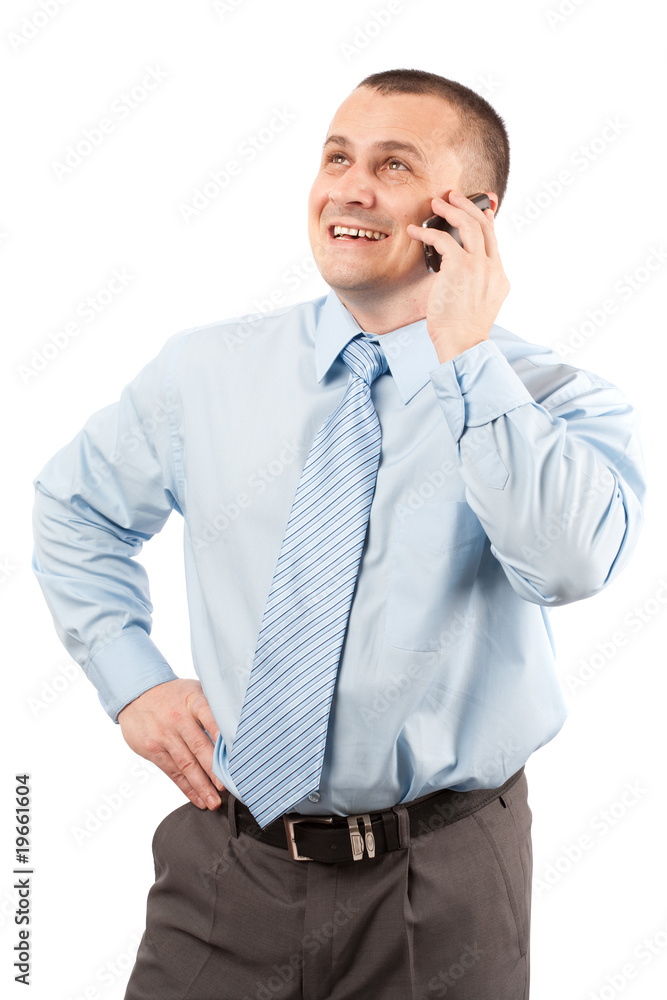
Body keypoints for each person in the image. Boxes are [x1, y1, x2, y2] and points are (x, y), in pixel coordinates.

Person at [32, 68, 645, 999]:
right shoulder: (205, 371)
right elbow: (74, 507)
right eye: (335, 158)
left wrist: (465, 356)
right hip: (224, 867)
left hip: (442, 885)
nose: (349, 188)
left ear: (471, 216)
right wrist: (134, 680)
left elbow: (567, 565)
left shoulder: (555, 402)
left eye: (393, 165)